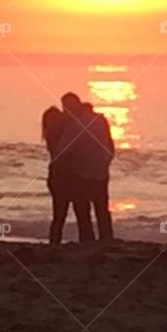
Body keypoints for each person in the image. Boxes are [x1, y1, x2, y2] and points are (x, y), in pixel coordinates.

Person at [58, 92, 116, 241]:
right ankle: (106, 239)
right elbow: (110, 146)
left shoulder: (76, 125)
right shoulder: (101, 120)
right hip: (101, 172)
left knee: (83, 211)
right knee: (102, 209)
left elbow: (62, 150)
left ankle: (87, 240)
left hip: (81, 173)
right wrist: (106, 162)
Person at [42, 106, 95, 244]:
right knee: (82, 212)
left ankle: (54, 243)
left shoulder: (51, 136)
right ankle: (87, 241)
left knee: (59, 215)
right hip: (70, 178)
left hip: (57, 178)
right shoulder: (62, 136)